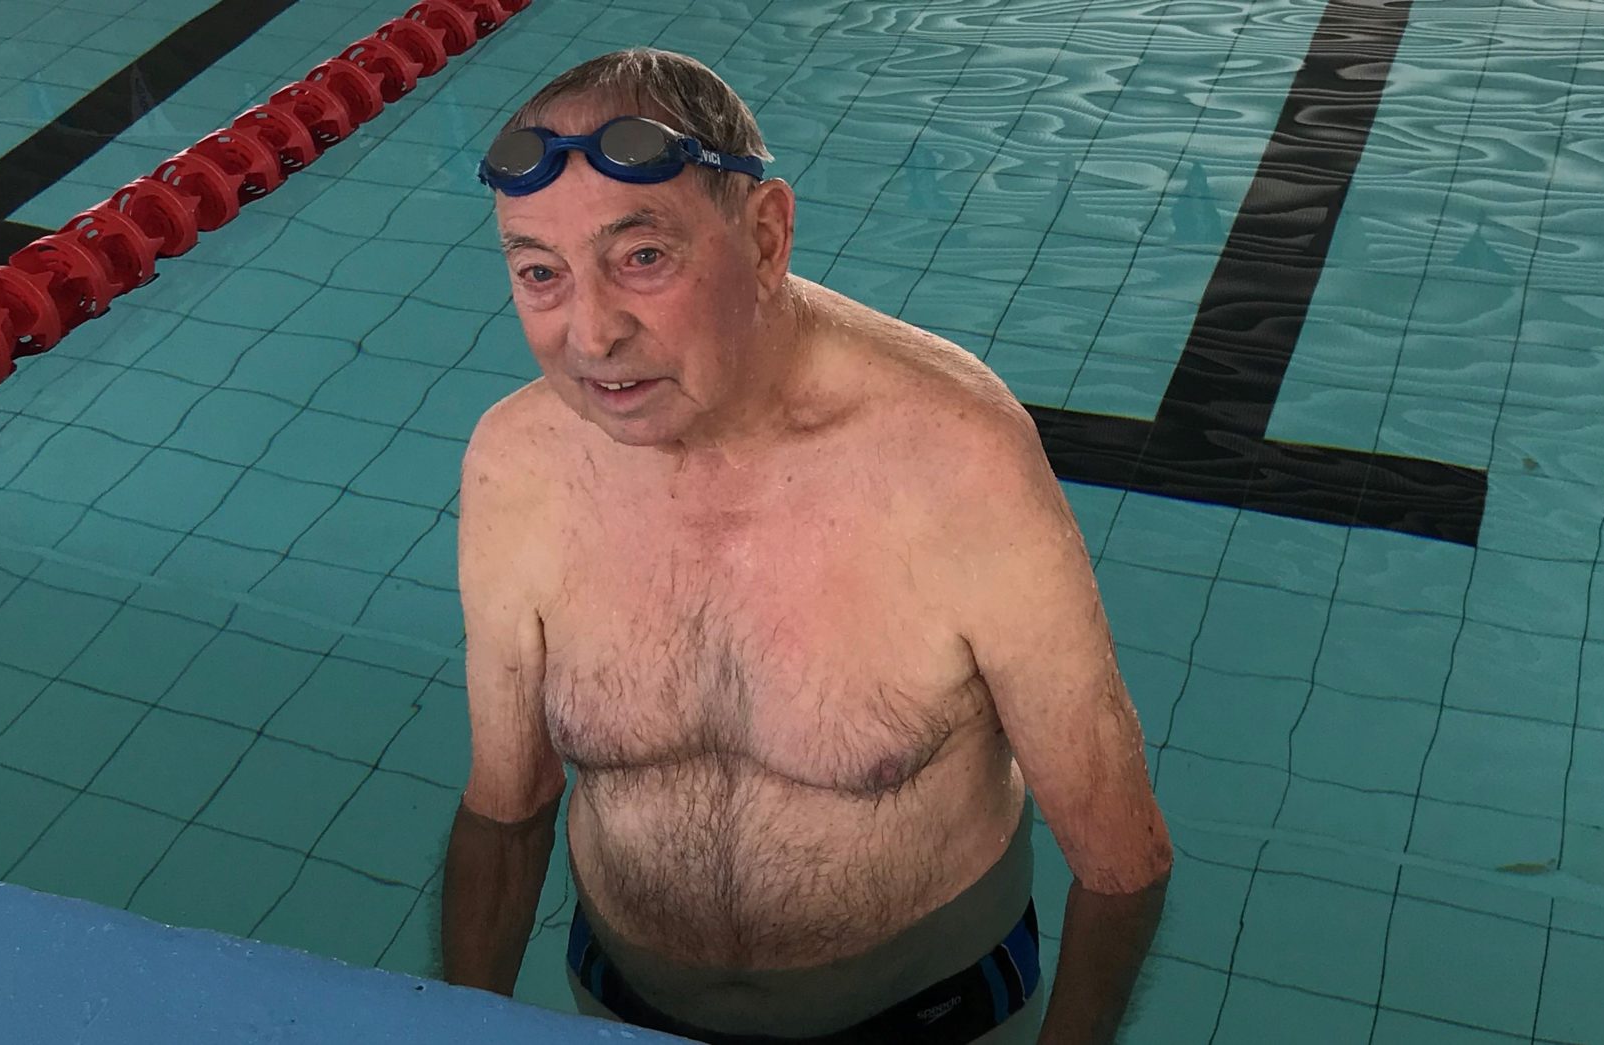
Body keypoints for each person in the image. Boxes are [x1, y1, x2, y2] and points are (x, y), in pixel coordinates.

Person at [440, 47, 1173, 1045]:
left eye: (642, 256)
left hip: (932, 1019)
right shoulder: (515, 466)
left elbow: (1120, 862)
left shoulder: (956, 463)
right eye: (540, 273)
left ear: (766, 234)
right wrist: (450, 1019)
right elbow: (506, 806)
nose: (590, 334)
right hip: (617, 1004)